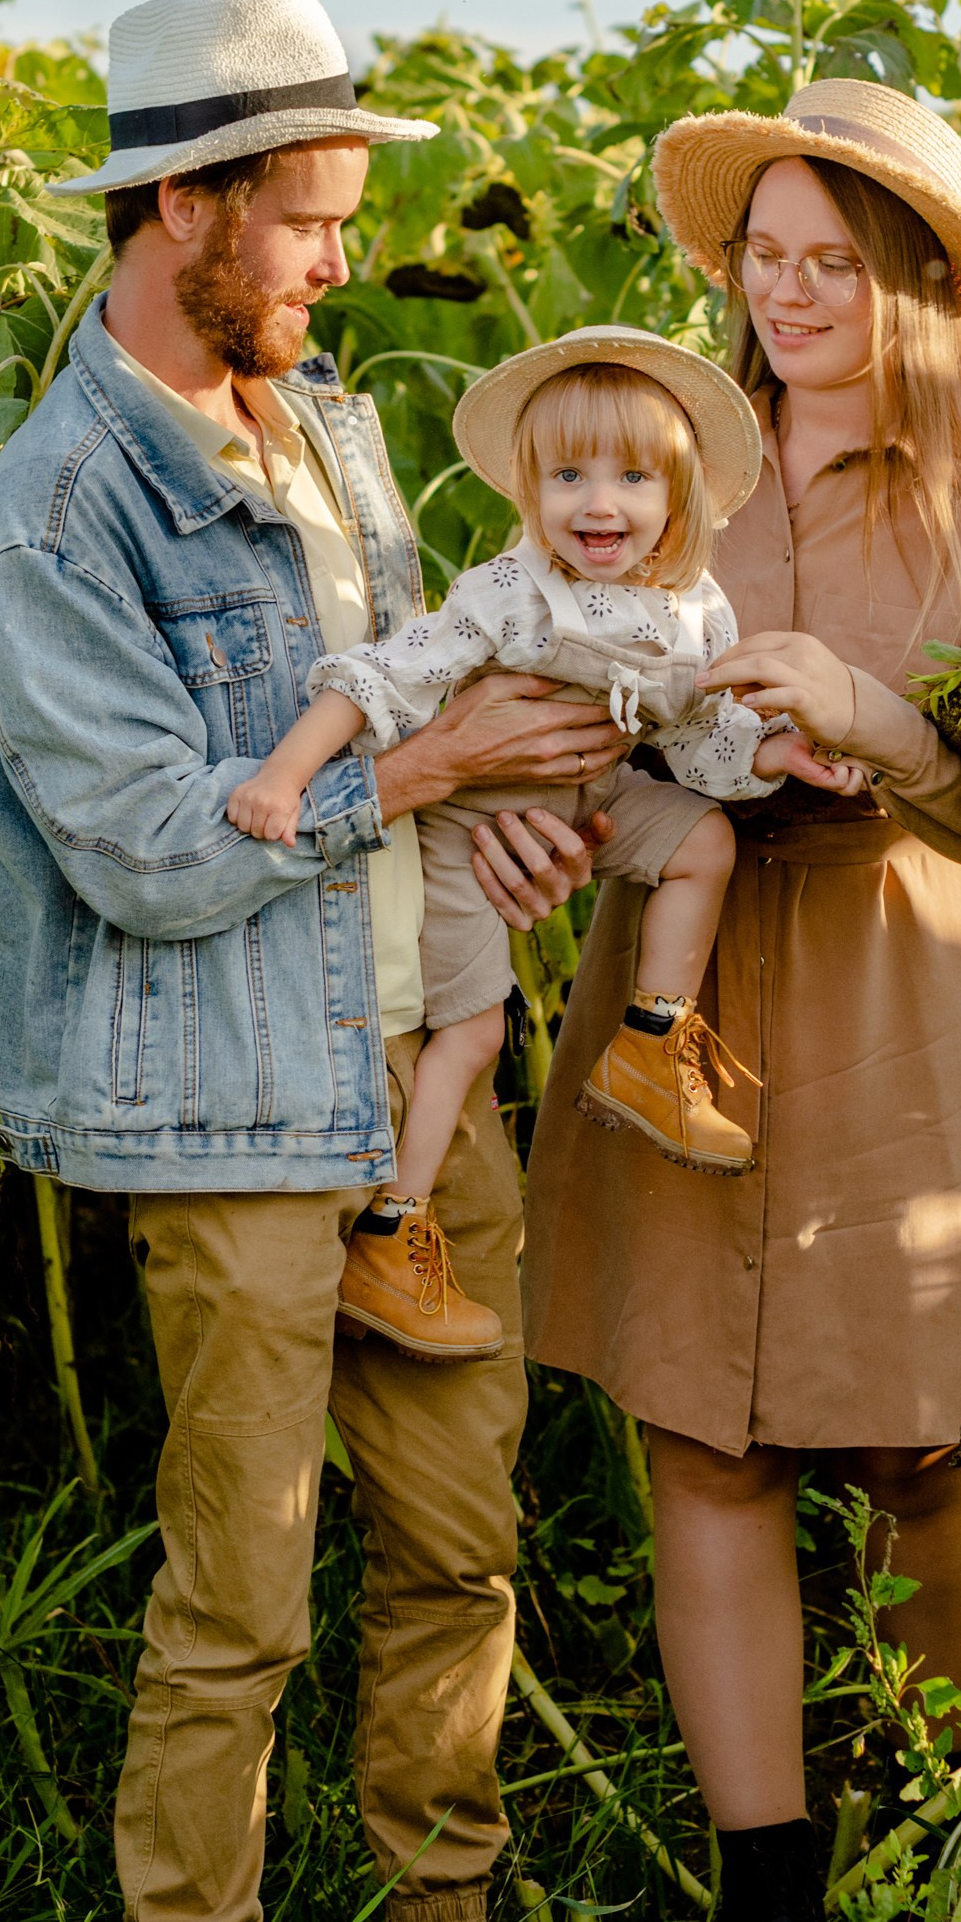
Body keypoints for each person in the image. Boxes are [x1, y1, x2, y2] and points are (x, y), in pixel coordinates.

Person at [0, 0, 622, 1922]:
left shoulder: (321, 426)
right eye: (309, 220)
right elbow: (148, 848)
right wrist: (423, 761)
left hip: (417, 1058)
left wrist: (481, 797)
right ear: (187, 210)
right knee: (238, 1586)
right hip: (233, 1102)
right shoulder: (64, 512)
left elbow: (409, 700)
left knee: (457, 1547)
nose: (339, 261)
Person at [515, 75, 961, 1922]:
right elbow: (559, 667)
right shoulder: (677, 475)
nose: (790, 293)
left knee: (911, 1434)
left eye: (831, 259)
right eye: (763, 258)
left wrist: (875, 717)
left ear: (912, 278)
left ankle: (924, 1841)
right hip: (684, 972)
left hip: (897, 1000)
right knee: (700, 1433)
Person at [225, 328, 860, 1348]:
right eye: (566, 473)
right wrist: (283, 774)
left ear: (678, 495)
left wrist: (780, 756)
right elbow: (382, 678)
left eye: (629, 475)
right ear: (530, 488)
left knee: (702, 840)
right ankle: (392, 1229)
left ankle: (653, 1037)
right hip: (473, 825)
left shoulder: (687, 612)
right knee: (472, 1032)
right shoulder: (507, 596)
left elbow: (701, 740)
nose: (595, 501)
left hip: (593, 798)